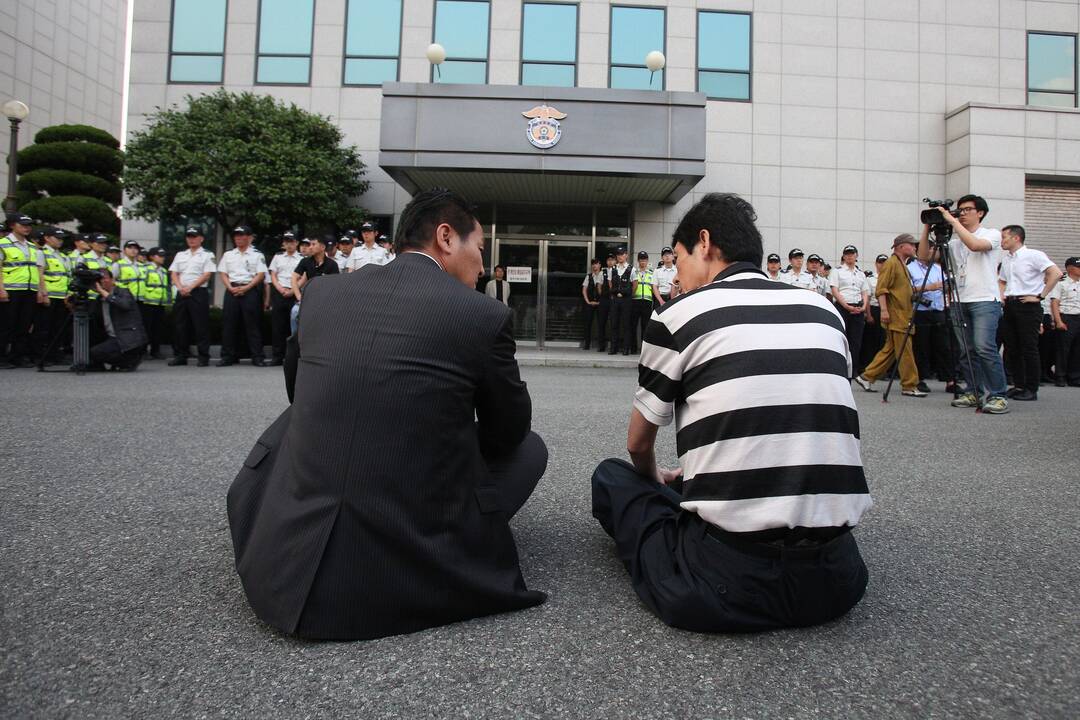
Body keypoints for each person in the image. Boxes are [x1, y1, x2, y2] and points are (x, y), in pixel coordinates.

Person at [227, 188, 547, 641]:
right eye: (479, 248)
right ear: (446, 237)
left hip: (283, 562)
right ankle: (444, 540)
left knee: (298, 418)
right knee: (530, 450)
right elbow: (509, 430)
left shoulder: (323, 292)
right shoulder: (482, 314)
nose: (481, 264)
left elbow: (299, 391)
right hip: (405, 540)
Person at [591, 192, 871, 633]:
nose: (678, 275)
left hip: (727, 582)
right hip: (838, 578)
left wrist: (652, 476)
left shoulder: (679, 316)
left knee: (613, 477)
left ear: (704, 243)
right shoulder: (826, 313)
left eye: (679, 259)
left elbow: (637, 444)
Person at [918, 195, 1008, 413]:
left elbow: (976, 245)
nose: (963, 213)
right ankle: (973, 390)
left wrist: (952, 221)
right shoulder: (955, 243)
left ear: (981, 213)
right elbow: (923, 256)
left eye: (968, 209)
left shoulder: (992, 234)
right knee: (966, 350)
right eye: (961, 210)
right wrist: (927, 226)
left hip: (985, 300)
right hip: (961, 300)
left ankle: (998, 394)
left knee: (984, 347)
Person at [854, 234, 927, 397]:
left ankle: (867, 376)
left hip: (903, 314)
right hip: (897, 315)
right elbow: (882, 288)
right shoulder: (891, 263)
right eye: (912, 244)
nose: (915, 247)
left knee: (892, 349)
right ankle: (909, 385)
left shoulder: (902, 264)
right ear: (901, 246)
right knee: (905, 350)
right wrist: (885, 311)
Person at [998, 225, 1061, 401]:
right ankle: (1019, 385)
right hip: (1010, 305)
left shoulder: (1033, 255)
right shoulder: (1007, 259)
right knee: (1012, 347)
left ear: (1016, 238)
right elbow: (1002, 281)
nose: (1002, 241)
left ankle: (1031, 388)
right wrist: (1001, 296)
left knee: (1029, 347)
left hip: (1028, 305)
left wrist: (1040, 296)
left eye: (1005, 237)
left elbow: (1055, 273)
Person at [0, 214, 48, 368]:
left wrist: (41, 291)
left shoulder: (33, 247)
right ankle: (2, 357)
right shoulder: (3, 244)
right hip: (11, 289)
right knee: (6, 325)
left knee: (24, 325)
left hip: (29, 290)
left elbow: (39, 272)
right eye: (23, 225)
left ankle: (17, 356)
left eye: (29, 225)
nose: (27, 228)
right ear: (13, 225)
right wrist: (1, 289)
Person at [217, 226, 267, 367]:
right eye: (236, 235)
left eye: (242, 235)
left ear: (250, 237)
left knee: (253, 324)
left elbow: (260, 274)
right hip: (232, 289)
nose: (238, 238)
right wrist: (230, 288)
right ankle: (228, 356)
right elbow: (223, 273)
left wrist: (246, 287)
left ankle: (257, 357)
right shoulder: (228, 255)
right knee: (229, 324)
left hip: (249, 290)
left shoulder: (257, 255)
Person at [168, 227, 217, 367]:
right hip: (181, 292)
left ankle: (203, 357)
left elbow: (207, 274)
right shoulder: (180, 254)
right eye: (189, 236)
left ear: (201, 238)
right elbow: (174, 273)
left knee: (200, 325)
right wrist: (180, 287)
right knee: (180, 325)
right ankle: (180, 355)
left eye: (194, 236)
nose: (191, 239)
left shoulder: (207, 254)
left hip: (198, 292)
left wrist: (190, 287)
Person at [86, 268, 148, 372]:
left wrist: (103, 292)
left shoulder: (123, 292)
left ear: (113, 280)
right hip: (113, 338)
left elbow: (124, 305)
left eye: (104, 278)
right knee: (89, 351)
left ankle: (128, 361)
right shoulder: (98, 299)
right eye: (98, 279)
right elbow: (91, 317)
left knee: (94, 353)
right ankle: (106, 363)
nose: (101, 281)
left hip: (128, 339)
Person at [906, 250, 946, 393]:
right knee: (921, 347)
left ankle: (950, 380)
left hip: (939, 309)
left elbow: (946, 285)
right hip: (921, 311)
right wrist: (928, 287)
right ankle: (920, 379)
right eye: (929, 249)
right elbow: (906, 290)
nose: (932, 252)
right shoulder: (910, 269)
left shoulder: (938, 268)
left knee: (944, 346)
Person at [829, 245, 870, 379]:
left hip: (858, 308)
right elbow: (835, 290)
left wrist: (864, 306)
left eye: (852, 254)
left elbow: (864, 291)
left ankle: (854, 371)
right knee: (841, 339)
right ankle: (840, 368)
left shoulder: (860, 273)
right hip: (843, 307)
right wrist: (846, 306)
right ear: (843, 256)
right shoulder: (837, 271)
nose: (849, 256)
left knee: (856, 341)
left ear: (856, 256)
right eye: (847, 254)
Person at [32, 227, 72, 365]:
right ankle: (39, 355)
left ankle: (54, 354)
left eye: (61, 239)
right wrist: (43, 293)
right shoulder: (41, 253)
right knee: (43, 328)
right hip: (49, 295)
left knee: (58, 328)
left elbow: (67, 277)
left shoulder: (63, 256)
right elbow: (40, 274)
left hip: (62, 297)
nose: (60, 241)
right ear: (47, 238)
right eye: (57, 238)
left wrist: (68, 295)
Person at [289, 234, 340, 333]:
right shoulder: (305, 261)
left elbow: (336, 286)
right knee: (295, 312)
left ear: (322, 247)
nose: (310, 247)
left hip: (326, 301)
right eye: (309, 245)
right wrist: (298, 296)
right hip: (308, 298)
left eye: (313, 244)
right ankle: (295, 342)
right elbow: (294, 278)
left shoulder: (332, 264)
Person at [267, 231, 303, 367]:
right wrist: (280, 289)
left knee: (293, 327)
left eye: (291, 241)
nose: (289, 244)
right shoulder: (278, 257)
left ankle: (293, 357)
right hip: (280, 292)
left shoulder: (301, 258)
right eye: (286, 241)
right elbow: (273, 275)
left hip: (295, 293)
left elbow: (304, 276)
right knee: (278, 326)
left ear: (296, 243)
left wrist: (293, 290)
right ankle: (277, 356)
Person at [136, 247, 171, 359]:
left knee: (158, 328)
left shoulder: (164, 271)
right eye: (159, 256)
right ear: (151, 257)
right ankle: (143, 351)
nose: (162, 258)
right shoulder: (146, 269)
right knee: (146, 328)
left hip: (160, 303)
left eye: (163, 256)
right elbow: (142, 285)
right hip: (147, 302)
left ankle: (156, 351)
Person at [1051, 256, 1080, 386]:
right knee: (1063, 349)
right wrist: (1058, 321)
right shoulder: (1061, 283)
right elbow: (1055, 303)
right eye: (1078, 267)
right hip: (1067, 317)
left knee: (1077, 349)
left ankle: (1074, 377)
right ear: (1069, 269)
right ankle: (1060, 376)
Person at [608, 247, 633, 355]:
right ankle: (613, 348)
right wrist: (614, 294)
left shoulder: (632, 269)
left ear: (626, 255)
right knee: (614, 324)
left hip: (626, 300)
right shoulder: (612, 268)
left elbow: (635, 284)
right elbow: (610, 283)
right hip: (615, 300)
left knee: (626, 324)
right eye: (618, 254)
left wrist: (626, 295)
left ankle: (625, 349)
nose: (620, 256)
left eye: (622, 254)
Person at [630, 251, 655, 352]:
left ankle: (644, 350)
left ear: (647, 261)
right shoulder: (633, 272)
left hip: (647, 302)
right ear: (638, 261)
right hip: (635, 301)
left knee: (645, 326)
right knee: (633, 325)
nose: (643, 262)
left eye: (644, 260)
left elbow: (654, 288)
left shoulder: (652, 273)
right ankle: (633, 348)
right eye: (641, 260)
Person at [580, 258, 605, 349]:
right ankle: (587, 344)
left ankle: (601, 345)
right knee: (587, 324)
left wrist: (601, 302)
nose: (594, 265)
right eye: (593, 264)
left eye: (596, 264)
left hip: (600, 303)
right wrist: (587, 301)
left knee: (601, 324)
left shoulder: (604, 275)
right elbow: (584, 290)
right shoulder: (589, 276)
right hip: (589, 303)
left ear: (600, 265)